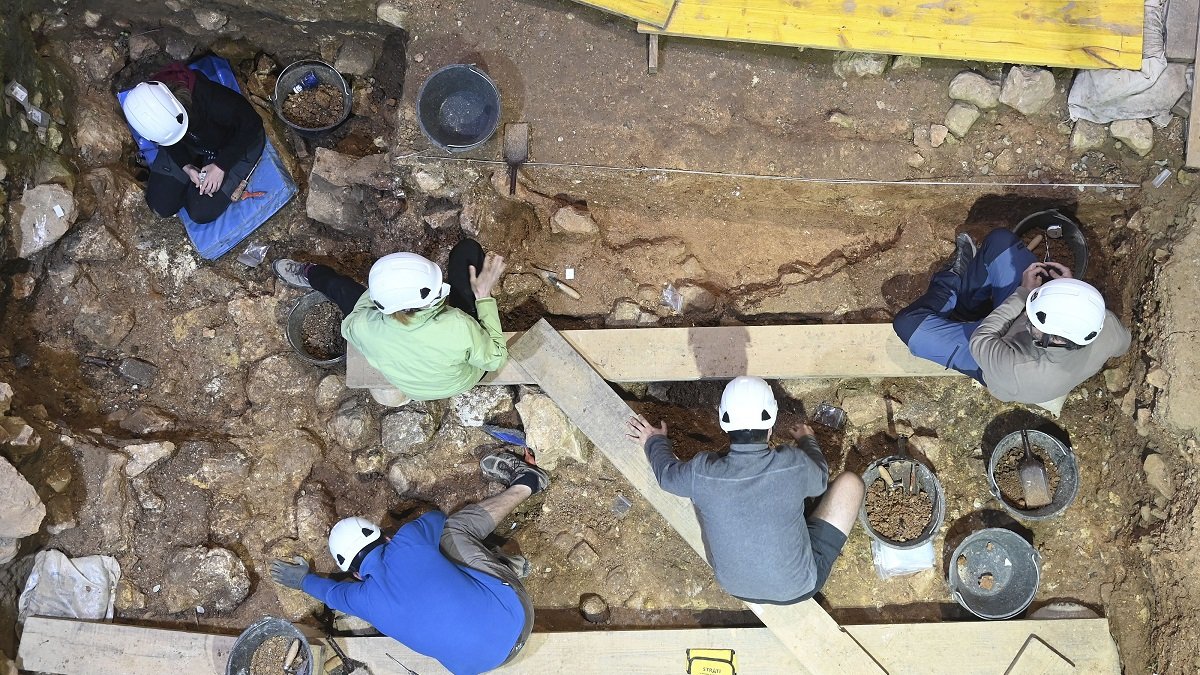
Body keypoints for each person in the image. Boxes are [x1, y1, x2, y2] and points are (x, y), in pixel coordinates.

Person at [270, 450, 549, 675]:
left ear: (355, 575)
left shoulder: (361, 599)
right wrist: (408, 538)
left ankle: (503, 564)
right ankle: (528, 482)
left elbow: (331, 594)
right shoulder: (408, 540)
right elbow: (437, 519)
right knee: (451, 532)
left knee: (440, 566)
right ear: (385, 537)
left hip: (484, 664)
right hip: (515, 612)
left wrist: (301, 580)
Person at [627, 377, 865, 605]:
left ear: (724, 423)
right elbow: (820, 480)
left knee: (705, 497)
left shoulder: (701, 474)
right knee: (851, 484)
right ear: (770, 425)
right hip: (799, 586)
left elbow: (667, 476)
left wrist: (653, 441)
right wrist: (807, 440)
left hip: (736, 586)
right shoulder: (793, 465)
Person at [892, 226, 1130, 405]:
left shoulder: (1016, 370)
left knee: (908, 325)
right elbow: (1123, 344)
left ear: (1049, 337)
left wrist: (1023, 294)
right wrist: (1066, 288)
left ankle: (951, 281)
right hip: (1016, 331)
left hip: (989, 356)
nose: (1029, 320)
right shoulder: (1105, 326)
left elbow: (981, 338)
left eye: (1033, 320)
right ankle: (968, 305)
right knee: (1000, 242)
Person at [272, 239, 508, 401]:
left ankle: (309, 273)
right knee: (467, 251)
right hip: (462, 380)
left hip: (415, 390)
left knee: (339, 288)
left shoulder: (365, 328)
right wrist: (483, 297)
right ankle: (477, 288)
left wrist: (379, 296)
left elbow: (354, 320)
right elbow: (495, 360)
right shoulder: (457, 325)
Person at [120, 63, 265, 224]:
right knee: (160, 205)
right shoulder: (149, 106)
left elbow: (252, 124)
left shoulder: (211, 100)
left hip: (231, 140)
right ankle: (196, 166)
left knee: (200, 211)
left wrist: (220, 166)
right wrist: (187, 167)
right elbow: (167, 141)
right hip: (190, 142)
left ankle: (209, 169)